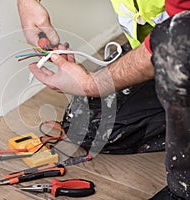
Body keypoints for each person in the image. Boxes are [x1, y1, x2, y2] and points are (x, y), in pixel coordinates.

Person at [17, 0, 190, 199]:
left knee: (179, 47)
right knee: (89, 124)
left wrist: (91, 84)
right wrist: (27, 3)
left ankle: (183, 190)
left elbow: (178, 41)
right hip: (161, 56)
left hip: (179, 49)